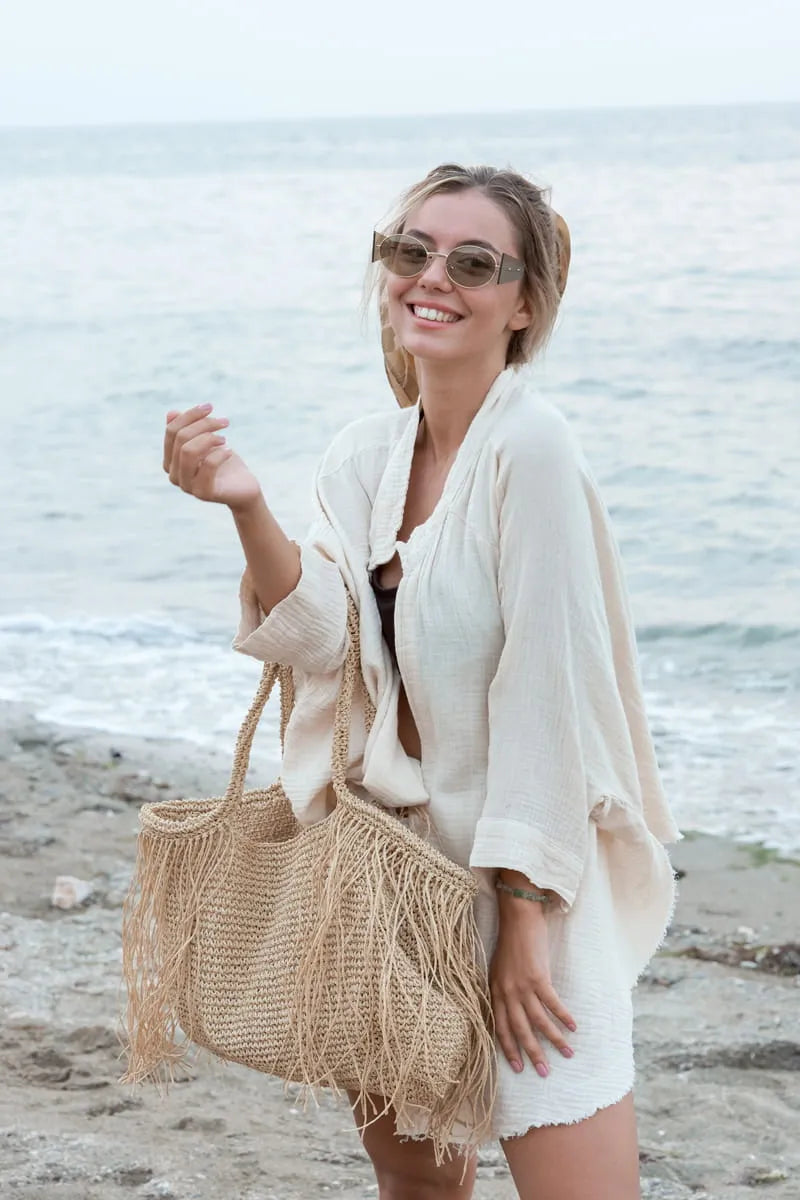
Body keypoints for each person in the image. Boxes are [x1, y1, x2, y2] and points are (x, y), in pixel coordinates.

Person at [162, 163, 681, 1200]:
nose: (430, 277)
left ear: (522, 303)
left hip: (524, 882)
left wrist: (523, 918)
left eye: (472, 261)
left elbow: (548, 689)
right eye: (411, 251)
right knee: (417, 1189)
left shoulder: (528, 449)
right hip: (386, 884)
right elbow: (316, 636)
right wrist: (243, 505)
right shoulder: (364, 455)